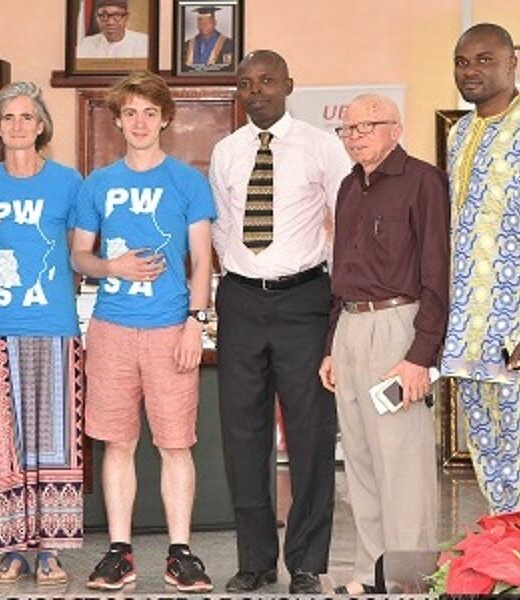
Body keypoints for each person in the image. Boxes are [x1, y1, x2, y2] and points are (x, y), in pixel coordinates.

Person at [207, 50, 350, 595]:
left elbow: (345, 218)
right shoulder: (226, 151)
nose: (256, 91)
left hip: (304, 301)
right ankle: (255, 560)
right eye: (246, 83)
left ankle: (307, 562)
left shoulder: (321, 146)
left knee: (311, 433)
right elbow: (222, 226)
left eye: (266, 81)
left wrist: (332, 291)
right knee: (243, 434)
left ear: (289, 84)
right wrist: (240, 273)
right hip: (241, 301)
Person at [71, 71, 216, 594]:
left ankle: (181, 554)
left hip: (169, 329)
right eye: (130, 112)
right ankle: (119, 552)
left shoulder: (187, 182)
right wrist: (113, 267)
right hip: (111, 328)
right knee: (118, 443)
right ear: (117, 121)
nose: (139, 122)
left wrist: (195, 322)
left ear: (165, 119)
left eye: (149, 113)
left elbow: (202, 259)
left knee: (176, 444)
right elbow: (79, 255)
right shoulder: (97, 184)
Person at [318, 93, 449, 595]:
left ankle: (409, 578)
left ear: (395, 128)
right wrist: (331, 346)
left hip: (399, 326)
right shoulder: (349, 186)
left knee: (403, 464)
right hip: (350, 329)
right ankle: (372, 573)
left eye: (366, 126)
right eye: (348, 129)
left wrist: (420, 356)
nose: (355, 137)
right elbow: (341, 272)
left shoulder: (423, 181)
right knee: (361, 461)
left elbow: (438, 273)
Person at [442, 23, 520, 521]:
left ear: (512, 64)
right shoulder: (459, 133)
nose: (470, 70)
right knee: (488, 463)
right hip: (468, 332)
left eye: (484, 59)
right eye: (462, 61)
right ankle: (501, 555)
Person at [0, 81, 84, 587]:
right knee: (2, 445)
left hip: (55, 329)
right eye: (8, 118)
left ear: (41, 126)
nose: (17, 125)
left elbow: (78, 253)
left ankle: (50, 550)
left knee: (53, 443)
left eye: (26, 117)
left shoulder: (68, 183)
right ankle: (12, 549)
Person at [76, 0, 149, 59]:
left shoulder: (144, 43)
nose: (110, 22)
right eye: (103, 16)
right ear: (97, 17)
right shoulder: (86, 44)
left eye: (116, 15)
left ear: (126, 17)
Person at [181, 7, 235, 72]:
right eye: (200, 23)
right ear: (197, 25)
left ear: (214, 23)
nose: (203, 25)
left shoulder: (227, 44)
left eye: (207, 22)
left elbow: (228, 70)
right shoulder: (188, 44)